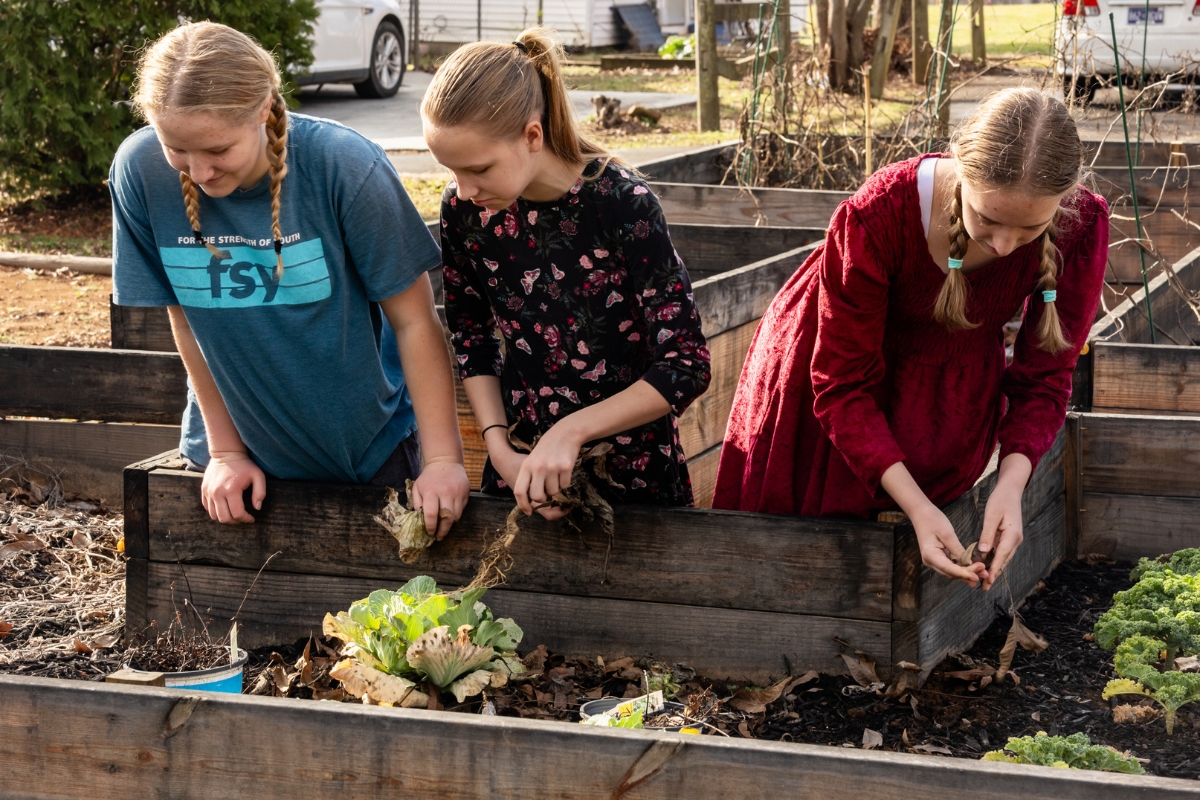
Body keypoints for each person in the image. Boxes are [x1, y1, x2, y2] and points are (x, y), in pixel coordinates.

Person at [713, 89, 1107, 590]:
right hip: (829, 391)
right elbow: (840, 386)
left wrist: (1012, 486)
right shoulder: (878, 216)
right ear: (961, 171)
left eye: (1030, 227)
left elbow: (1047, 378)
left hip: (944, 404)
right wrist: (918, 508)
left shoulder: (1081, 224)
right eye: (987, 218)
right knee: (797, 576)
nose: (1005, 245)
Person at [109, 22, 470, 534]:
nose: (199, 172)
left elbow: (415, 322)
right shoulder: (140, 170)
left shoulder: (345, 167)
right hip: (233, 465)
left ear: (263, 110)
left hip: (366, 455)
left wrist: (441, 463)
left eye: (218, 150)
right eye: (177, 149)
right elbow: (187, 320)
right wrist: (226, 451)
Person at [422, 28, 712, 519]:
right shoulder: (467, 211)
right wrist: (499, 449)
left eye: (479, 169)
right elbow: (471, 336)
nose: (464, 188)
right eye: (451, 172)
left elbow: (685, 365)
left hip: (632, 483)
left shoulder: (622, 204)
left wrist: (570, 431)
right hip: (519, 472)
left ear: (532, 136)